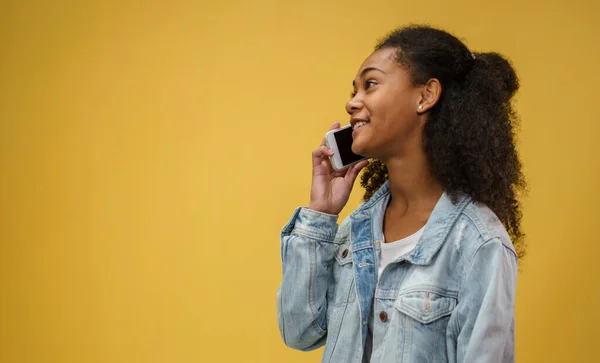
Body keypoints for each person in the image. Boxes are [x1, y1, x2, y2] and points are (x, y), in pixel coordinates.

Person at [276, 24, 526, 363]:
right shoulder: (356, 229)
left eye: (371, 84)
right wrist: (321, 214)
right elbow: (300, 331)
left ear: (425, 96)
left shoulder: (479, 244)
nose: (352, 102)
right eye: (354, 90)